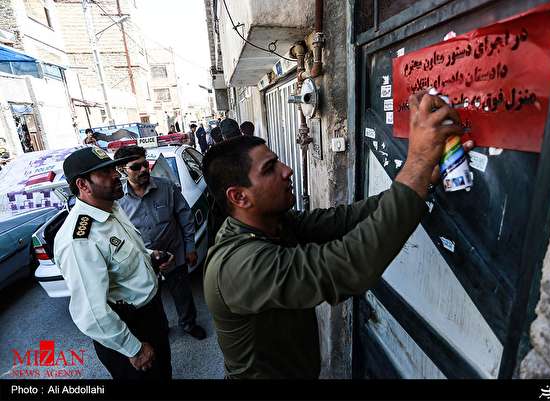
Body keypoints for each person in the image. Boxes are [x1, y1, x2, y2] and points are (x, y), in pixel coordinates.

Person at [201, 92, 473, 379]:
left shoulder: (275, 225)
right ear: (239, 197)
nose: (287, 170)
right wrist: (417, 162)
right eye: (270, 169)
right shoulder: (238, 266)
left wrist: (420, 180)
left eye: (278, 161)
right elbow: (347, 265)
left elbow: (346, 219)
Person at [53, 147, 174, 380]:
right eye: (105, 172)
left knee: (164, 373)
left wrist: (150, 256)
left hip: (151, 315)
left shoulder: (111, 207)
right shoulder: (80, 239)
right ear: (83, 185)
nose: (116, 175)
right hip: (128, 329)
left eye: (113, 168)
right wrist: (134, 349)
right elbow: (92, 313)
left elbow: (125, 254)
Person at [114, 145, 207, 340]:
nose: (143, 170)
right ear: (122, 169)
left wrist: (190, 247)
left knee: (182, 294)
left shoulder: (166, 187)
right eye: (136, 167)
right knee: (150, 300)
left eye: (145, 164)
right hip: (143, 262)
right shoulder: (117, 201)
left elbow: (185, 216)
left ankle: (189, 324)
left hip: (174, 253)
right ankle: (161, 328)